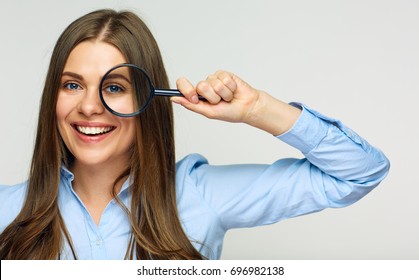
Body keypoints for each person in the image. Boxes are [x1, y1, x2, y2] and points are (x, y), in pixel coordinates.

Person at [0, 9, 389, 260]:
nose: (89, 106)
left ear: (147, 98)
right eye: (71, 85)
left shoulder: (199, 194)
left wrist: (257, 109)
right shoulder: (7, 210)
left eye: (114, 87)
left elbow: (360, 173)